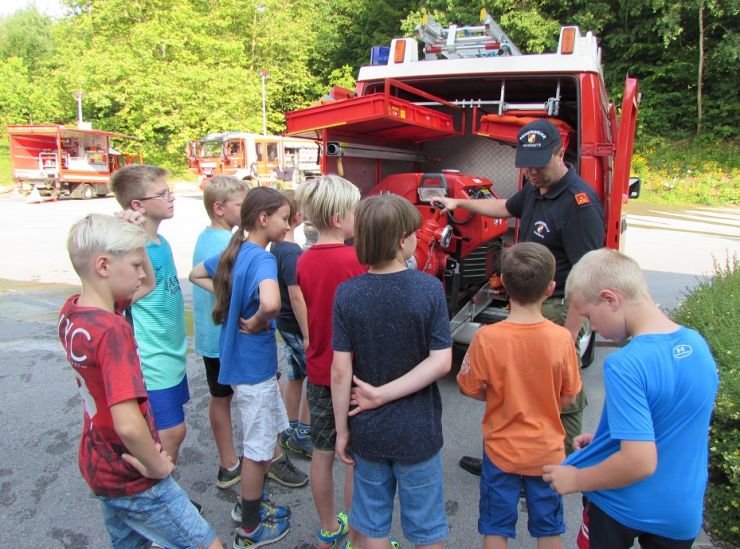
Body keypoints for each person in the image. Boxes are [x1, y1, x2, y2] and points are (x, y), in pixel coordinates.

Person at [436, 118, 602, 475]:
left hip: (558, 308)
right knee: (513, 384)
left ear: (560, 153)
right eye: (526, 165)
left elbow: (586, 276)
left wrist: (569, 336)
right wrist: (456, 202)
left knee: (560, 394)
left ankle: (562, 467)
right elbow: (505, 208)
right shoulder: (534, 189)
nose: (530, 172)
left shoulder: (579, 203)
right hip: (527, 303)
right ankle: (502, 459)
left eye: (539, 164)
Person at [58, 213, 222, 549]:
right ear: (104, 266)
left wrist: (139, 236)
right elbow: (129, 425)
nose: (142, 272)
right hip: (133, 472)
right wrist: (157, 465)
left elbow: (148, 285)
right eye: (135, 264)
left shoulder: (74, 312)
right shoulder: (114, 330)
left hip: (98, 462)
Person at [543, 249, 719, 548]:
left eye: (590, 316)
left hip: (620, 507)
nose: (593, 327)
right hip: (680, 512)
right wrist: (606, 438)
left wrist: (575, 479)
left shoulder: (626, 363)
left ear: (610, 299)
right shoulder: (697, 345)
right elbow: (672, 420)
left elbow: (639, 462)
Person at [332, 194, 452, 549]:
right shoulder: (429, 289)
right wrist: (384, 394)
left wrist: (342, 430)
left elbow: (341, 371)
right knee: (427, 528)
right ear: (402, 240)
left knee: (372, 527)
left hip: (368, 432)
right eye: (414, 232)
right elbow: (441, 361)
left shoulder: (348, 293)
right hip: (418, 432)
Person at [458, 242, 582, 549]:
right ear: (551, 287)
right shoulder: (562, 339)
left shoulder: (487, 338)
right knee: (549, 528)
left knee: (495, 527)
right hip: (547, 452)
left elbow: (469, 387)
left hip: (501, 450)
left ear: (503, 286)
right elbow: (568, 396)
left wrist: (501, 395)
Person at [190, 187, 294, 548]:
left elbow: (194, 275)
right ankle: (249, 528)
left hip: (240, 366)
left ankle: (248, 505)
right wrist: (259, 319)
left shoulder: (235, 252)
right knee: (259, 449)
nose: (289, 224)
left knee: (262, 440)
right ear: (264, 219)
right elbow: (271, 301)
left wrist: (227, 297)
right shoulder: (265, 260)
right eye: (284, 217)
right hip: (255, 371)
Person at [295, 175, 364, 549]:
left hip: (319, 368)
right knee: (352, 456)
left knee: (322, 454)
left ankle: (328, 528)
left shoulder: (304, 260)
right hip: (353, 373)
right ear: (339, 217)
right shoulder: (357, 259)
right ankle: (355, 537)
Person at [110, 165, 190, 466]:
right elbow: (118, 297)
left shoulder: (161, 242)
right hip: (152, 357)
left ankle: (160, 491)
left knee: (163, 432)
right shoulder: (131, 249)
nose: (171, 198)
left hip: (172, 354)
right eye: (163, 193)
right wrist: (127, 230)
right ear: (136, 205)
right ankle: (157, 496)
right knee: (172, 432)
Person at [192, 175, 248, 489]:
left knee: (220, 397)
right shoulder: (223, 243)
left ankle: (228, 463)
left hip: (209, 336)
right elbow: (229, 287)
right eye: (240, 205)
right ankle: (263, 459)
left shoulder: (208, 236)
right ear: (219, 208)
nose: (245, 209)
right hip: (225, 336)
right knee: (251, 398)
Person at [272, 194, 313, 458]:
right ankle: (304, 434)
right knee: (314, 375)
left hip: (284, 322)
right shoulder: (292, 252)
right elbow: (297, 296)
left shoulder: (278, 247)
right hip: (297, 325)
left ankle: (289, 427)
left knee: (295, 374)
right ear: (297, 217)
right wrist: (309, 334)